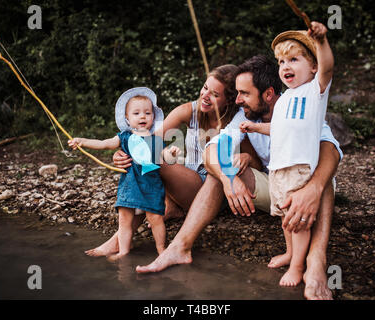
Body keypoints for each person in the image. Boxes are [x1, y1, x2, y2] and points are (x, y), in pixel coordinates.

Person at [135, 50, 343, 300]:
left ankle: (316, 262)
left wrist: (313, 188)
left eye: (244, 94)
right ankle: (179, 248)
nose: (238, 101)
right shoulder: (245, 116)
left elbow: (331, 149)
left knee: (324, 180)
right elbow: (215, 148)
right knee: (220, 171)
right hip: (272, 187)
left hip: (304, 186)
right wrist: (228, 179)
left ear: (268, 94)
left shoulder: (300, 103)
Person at [87, 65, 260, 257]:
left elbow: (258, 164)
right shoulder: (189, 110)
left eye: (214, 94)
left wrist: (246, 157)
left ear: (229, 100)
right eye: (204, 88)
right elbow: (148, 141)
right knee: (151, 158)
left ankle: (119, 240)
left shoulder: (237, 121)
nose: (205, 96)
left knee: (154, 162)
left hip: (213, 190)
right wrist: (121, 152)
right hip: (189, 181)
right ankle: (124, 235)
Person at [239, 22, 334, 287]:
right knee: (284, 218)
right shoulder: (284, 100)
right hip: (279, 169)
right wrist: (256, 127)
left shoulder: (315, 89)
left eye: (294, 59)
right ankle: (291, 253)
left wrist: (322, 41)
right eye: (281, 61)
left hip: (299, 167)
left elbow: (328, 66)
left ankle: (297, 265)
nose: (286, 66)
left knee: (297, 222)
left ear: (313, 66)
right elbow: (278, 129)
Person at [68, 87, 180, 259]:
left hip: (151, 186)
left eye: (147, 113)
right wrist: (82, 141)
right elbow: (104, 143)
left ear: (153, 117)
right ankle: (123, 251)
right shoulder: (124, 137)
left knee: (155, 218)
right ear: (127, 118)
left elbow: (162, 155)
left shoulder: (155, 139)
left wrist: (171, 153)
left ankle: (161, 250)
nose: (142, 116)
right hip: (129, 185)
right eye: (136, 113)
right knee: (124, 221)